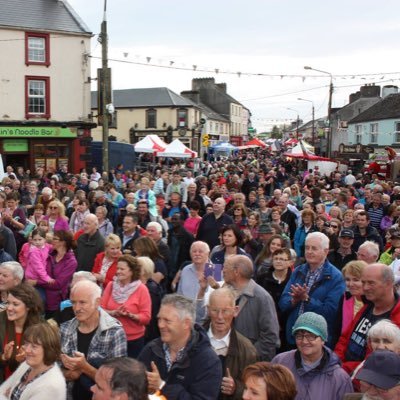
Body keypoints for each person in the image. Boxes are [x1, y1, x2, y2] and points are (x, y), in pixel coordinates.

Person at [138, 294, 222, 400]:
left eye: (167, 321)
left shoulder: (208, 361)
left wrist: (162, 387)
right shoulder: (151, 349)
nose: (160, 325)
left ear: (186, 323)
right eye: (159, 319)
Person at [60, 280, 127, 400]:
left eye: (82, 302)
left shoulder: (114, 332)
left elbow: (117, 381)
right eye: (73, 302)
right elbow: (54, 368)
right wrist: (68, 375)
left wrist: (85, 367)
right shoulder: (65, 329)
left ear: (97, 302)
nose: (76, 308)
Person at [279, 232, 346, 348]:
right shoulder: (298, 271)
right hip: (293, 336)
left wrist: (306, 299)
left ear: (326, 251)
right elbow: (283, 302)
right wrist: (294, 301)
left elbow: (330, 312)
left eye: (314, 248)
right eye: (307, 248)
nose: (309, 251)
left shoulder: (336, 277)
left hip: (316, 341)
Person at [335, 263, 400, 374]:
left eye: (371, 283)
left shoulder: (396, 318)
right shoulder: (368, 306)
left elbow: (379, 362)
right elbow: (345, 338)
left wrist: (342, 370)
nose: (365, 288)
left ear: (389, 283)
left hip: (366, 381)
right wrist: (335, 360)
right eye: (363, 282)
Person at [272, 312, 353, 400]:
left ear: (323, 339)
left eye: (311, 336)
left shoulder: (340, 379)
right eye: (299, 336)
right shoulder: (280, 362)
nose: (304, 341)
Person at [216, 255, 280, 361]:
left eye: (226, 266)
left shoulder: (262, 298)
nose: (223, 270)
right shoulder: (225, 293)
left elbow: (270, 336)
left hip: (252, 365)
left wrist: (248, 355)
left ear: (236, 272)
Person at [205, 288, 257, 400]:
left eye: (225, 311)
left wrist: (236, 388)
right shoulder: (193, 340)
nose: (220, 317)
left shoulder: (247, 349)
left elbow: (254, 389)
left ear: (236, 311)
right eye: (215, 310)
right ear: (208, 310)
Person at [0, 322, 67, 400]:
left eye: (34, 346)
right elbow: (3, 389)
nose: (27, 350)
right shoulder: (27, 365)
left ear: (48, 350)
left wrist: (7, 395)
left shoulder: (51, 385)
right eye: (26, 344)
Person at [101, 255, 151, 358]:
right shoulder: (111, 285)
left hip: (133, 341)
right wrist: (113, 313)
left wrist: (131, 315)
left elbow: (146, 318)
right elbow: (100, 309)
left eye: (122, 269)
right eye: (117, 268)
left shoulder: (141, 289)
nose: (118, 271)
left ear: (132, 271)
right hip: (111, 337)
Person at [0, 283, 44, 382]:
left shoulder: (41, 328)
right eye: (8, 303)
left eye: (15, 304)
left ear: (28, 307)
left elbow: (47, 363)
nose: (9, 308)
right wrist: (3, 357)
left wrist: (26, 361)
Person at [332, 260, 367, 347]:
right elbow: (337, 329)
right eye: (347, 279)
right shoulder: (345, 297)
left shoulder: (373, 302)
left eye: (356, 280)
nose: (350, 284)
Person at [44, 230, 77, 319]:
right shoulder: (50, 254)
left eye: (55, 239)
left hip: (55, 302)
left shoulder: (71, 262)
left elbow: (59, 284)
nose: (52, 241)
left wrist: (37, 282)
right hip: (42, 297)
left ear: (63, 242)